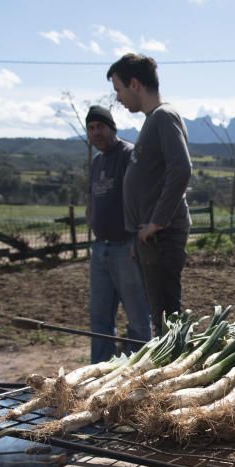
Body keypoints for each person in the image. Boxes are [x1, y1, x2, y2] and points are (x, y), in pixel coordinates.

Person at [106, 53, 193, 336]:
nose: (118, 97)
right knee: (161, 317)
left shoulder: (164, 117)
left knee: (167, 319)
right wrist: (138, 234)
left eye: (118, 89)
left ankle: (174, 372)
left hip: (162, 237)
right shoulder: (153, 120)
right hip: (149, 239)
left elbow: (181, 168)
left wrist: (157, 222)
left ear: (134, 84)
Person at [85, 104, 152, 362]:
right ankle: (99, 372)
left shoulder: (129, 155)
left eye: (100, 126)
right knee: (100, 318)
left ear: (112, 128)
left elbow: (143, 197)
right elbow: (92, 198)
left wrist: (138, 238)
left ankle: (138, 370)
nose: (95, 133)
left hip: (126, 247)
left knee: (137, 316)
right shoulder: (97, 162)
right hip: (100, 247)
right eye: (91, 128)